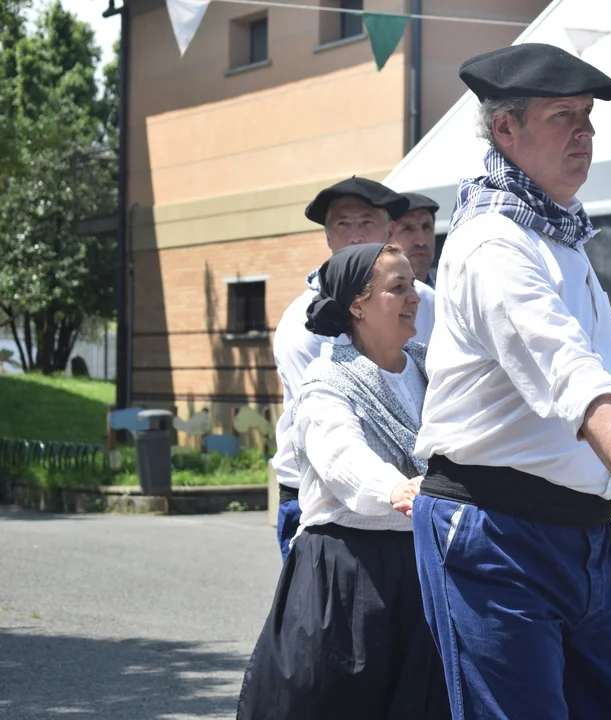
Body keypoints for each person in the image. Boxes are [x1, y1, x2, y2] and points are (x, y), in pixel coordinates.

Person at [409, 43, 611, 720]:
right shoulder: (494, 242)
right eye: (563, 116)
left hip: (575, 531)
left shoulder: (555, 234)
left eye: (587, 116)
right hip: (498, 528)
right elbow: (577, 383)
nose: (584, 133)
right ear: (505, 128)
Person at [237, 243, 449, 720]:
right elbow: (339, 453)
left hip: (420, 563)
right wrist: (394, 488)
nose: (414, 297)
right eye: (398, 287)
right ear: (358, 305)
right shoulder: (326, 381)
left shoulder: (428, 369)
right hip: (348, 572)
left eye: (413, 285)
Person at [270, 177, 435, 561]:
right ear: (328, 236)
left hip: (421, 503)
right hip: (329, 502)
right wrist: (397, 487)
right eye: (343, 224)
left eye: (366, 222)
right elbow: (333, 440)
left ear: (389, 232)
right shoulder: (302, 324)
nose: (356, 235)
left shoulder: (428, 302)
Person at [395, 192, 440, 286]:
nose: (421, 242)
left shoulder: (452, 292)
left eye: (426, 227)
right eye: (408, 228)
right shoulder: (369, 294)